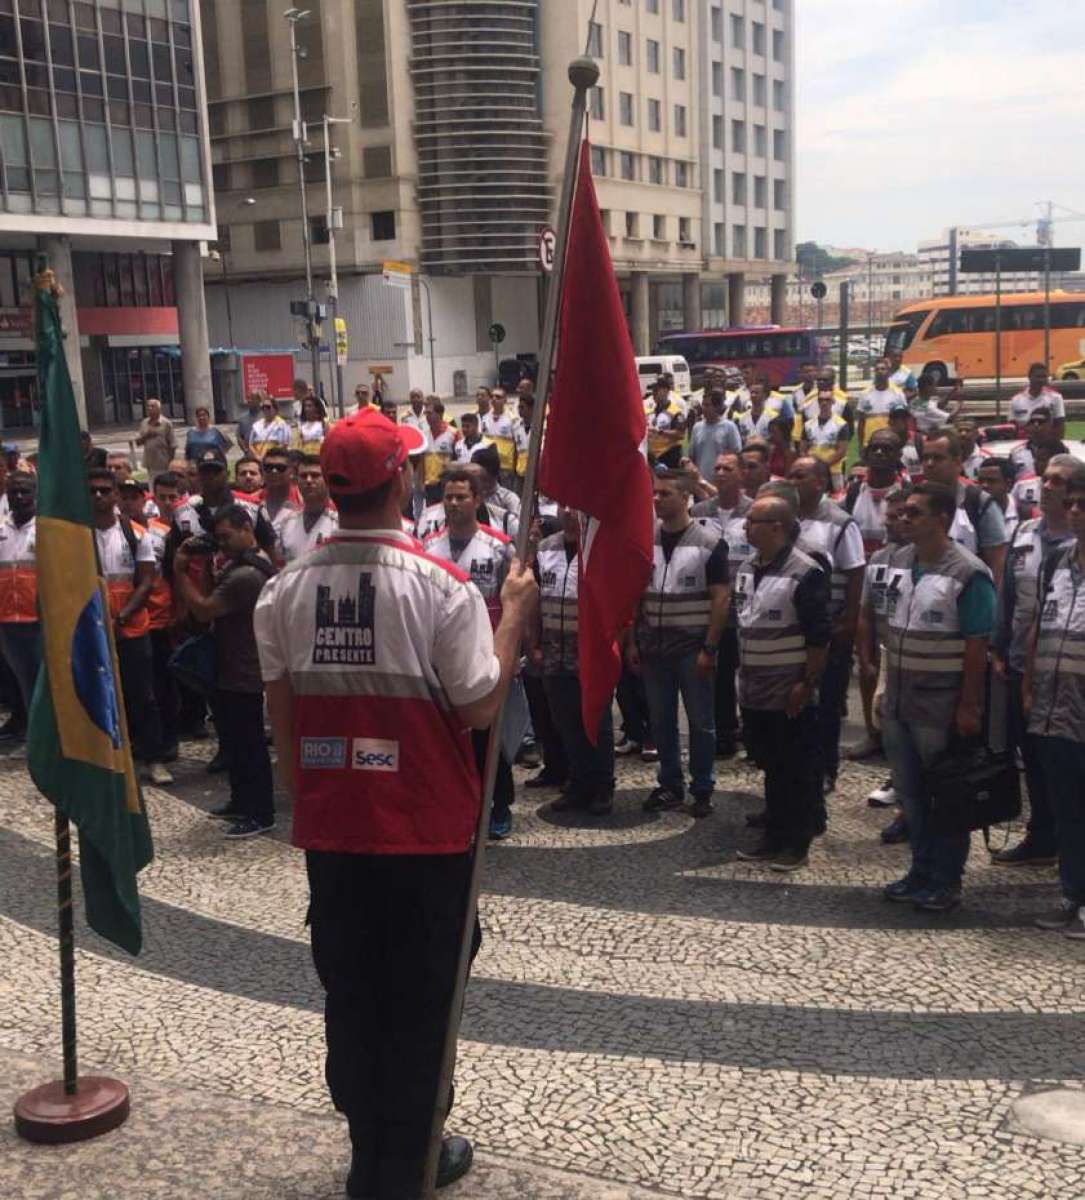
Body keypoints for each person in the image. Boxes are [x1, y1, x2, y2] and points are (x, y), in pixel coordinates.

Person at [254, 407, 537, 1198]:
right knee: (422, 1003)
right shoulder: (443, 589)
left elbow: (284, 725)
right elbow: (480, 706)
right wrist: (513, 616)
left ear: (330, 487)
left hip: (334, 835)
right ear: (402, 480)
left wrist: (319, 796)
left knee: (351, 994)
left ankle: (367, 1152)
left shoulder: (282, 592)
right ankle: (412, 1158)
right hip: (427, 838)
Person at [879, 482, 996, 913]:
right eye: (903, 512)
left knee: (945, 795)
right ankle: (920, 869)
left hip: (940, 704)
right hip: (900, 698)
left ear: (942, 519)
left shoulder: (968, 572)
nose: (904, 519)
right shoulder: (898, 562)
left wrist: (969, 705)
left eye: (915, 513)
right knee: (910, 793)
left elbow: (977, 644)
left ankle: (946, 878)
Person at [991, 455, 1083, 870]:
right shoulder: (1026, 533)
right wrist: (998, 646)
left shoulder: (1074, 546)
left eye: (1058, 481)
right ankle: (1043, 834)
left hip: (1071, 676)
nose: (1047, 487)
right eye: (1045, 479)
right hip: (1025, 665)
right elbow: (1007, 593)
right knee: (1033, 756)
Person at [734, 489, 830, 871]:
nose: (745, 527)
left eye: (752, 521)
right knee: (772, 767)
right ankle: (773, 835)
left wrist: (806, 683)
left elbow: (819, 637)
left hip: (789, 690)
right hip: (754, 688)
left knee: (797, 770)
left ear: (776, 527)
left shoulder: (805, 572)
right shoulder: (747, 567)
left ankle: (796, 842)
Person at [630, 470, 730, 818]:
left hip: (692, 648)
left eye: (665, 494)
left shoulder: (709, 542)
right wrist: (632, 641)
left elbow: (721, 599)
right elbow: (636, 594)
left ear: (686, 498)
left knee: (701, 722)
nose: (656, 499)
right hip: (654, 647)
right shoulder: (646, 540)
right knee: (660, 721)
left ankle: (702, 787)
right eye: (654, 493)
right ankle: (670, 784)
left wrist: (710, 648)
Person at [174, 504, 277, 838]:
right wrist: (206, 564)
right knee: (233, 740)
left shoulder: (245, 575)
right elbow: (211, 594)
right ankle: (240, 800)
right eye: (217, 538)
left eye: (226, 537)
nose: (222, 544)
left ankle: (260, 812)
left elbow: (204, 610)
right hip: (232, 665)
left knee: (249, 745)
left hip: (243, 670)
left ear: (247, 528)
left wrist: (180, 572)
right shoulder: (241, 563)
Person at [425, 468, 517, 839]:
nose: (454, 504)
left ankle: (499, 804)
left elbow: (515, 602)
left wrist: (518, 648)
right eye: (448, 497)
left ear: (477, 500)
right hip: (439, 658)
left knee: (487, 735)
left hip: (486, 654)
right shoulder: (427, 546)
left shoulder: (499, 547)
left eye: (461, 497)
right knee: (445, 736)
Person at [1024, 469, 1085, 940]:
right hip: (1053, 708)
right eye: (1074, 504)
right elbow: (1038, 626)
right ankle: (1073, 893)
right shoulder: (1058, 560)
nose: (1077, 512)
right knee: (1067, 809)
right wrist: (1028, 684)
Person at [88, 468, 172, 786]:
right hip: (93, 630)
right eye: (93, 490)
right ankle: (109, 757)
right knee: (100, 695)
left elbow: (146, 581)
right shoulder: (78, 535)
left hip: (131, 629)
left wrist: (121, 616)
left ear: (115, 495)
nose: (99, 496)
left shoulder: (135, 533)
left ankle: (153, 758)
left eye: (104, 490)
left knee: (143, 695)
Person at [788, 457, 866, 795]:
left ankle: (825, 769)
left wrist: (848, 620)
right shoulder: (784, 517)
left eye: (800, 475)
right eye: (790, 475)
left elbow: (855, 571)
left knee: (826, 702)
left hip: (828, 625)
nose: (792, 481)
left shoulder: (840, 522)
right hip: (792, 627)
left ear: (820, 482)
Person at [535, 507, 615, 815]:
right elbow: (535, 598)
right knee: (565, 722)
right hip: (554, 651)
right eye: (563, 506)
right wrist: (534, 643)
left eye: (575, 506)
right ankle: (578, 783)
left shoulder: (600, 548)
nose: (568, 512)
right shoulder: (545, 548)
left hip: (589, 652)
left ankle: (603, 785)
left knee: (597, 721)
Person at [854, 485, 911, 817]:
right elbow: (865, 611)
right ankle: (898, 779)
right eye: (887, 516)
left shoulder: (926, 560)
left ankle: (910, 790)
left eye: (898, 516)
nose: (889, 522)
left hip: (916, 656)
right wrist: (865, 657)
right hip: (886, 650)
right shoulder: (878, 559)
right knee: (888, 719)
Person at [693, 452, 752, 757]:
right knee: (717, 674)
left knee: (746, 674)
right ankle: (721, 733)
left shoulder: (754, 511)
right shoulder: (699, 512)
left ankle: (750, 733)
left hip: (747, 607)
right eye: (716, 468)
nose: (720, 473)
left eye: (728, 468)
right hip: (712, 608)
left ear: (742, 473)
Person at [119, 477, 180, 762]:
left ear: (145, 499)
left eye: (134, 497)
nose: (129, 502)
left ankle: (169, 739)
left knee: (163, 686)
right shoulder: (112, 532)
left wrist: (178, 612)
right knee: (135, 688)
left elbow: (175, 573)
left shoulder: (162, 532)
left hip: (160, 618)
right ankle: (137, 740)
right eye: (124, 497)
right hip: (129, 622)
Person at [920, 429, 1008, 587]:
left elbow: (997, 563)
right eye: (925, 458)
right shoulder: (912, 501)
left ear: (957, 462)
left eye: (938, 458)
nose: (929, 464)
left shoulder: (979, 502)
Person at [0, 471, 40, 746]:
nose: (19, 496)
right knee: (16, 676)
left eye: (25, 491)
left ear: (35, 493)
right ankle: (23, 723)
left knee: (39, 677)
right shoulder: (1, 528)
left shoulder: (45, 529)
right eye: (14, 491)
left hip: (38, 619)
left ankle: (42, 731)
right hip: (6, 618)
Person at [280, 455, 338, 564]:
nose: (309, 480)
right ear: (297, 481)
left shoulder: (339, 523)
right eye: (303, 476)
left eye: (315, 475)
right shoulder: (287, 523)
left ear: (328, 479)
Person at [801, 386, 850, 491]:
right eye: (821, 400)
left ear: (833, 401)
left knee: (836, 497)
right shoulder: (808, 425)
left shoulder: (841, 424)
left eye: (827, 400)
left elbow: (842, 451)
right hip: (812, 471)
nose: (824, 403)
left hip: (833, 471)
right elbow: (802, 449)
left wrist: (824, 465)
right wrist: (810, 464)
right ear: (817, 402)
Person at [259, 445, 301, 563]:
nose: (274, 471)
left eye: (280, 468)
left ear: (292, 472)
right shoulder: (252, 503)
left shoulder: (304, 501)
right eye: (268, 467)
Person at [686, 390, 741, 480]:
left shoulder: (729, 427)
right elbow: (692, 456)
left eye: (707, 405)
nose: (704, 408)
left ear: (717, 407)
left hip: (722, 480)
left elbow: (736, 454)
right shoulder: (697, 427)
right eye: (703, 405)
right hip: (701, 481)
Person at [856, 356, 905, 448]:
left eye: (883, 369)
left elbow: (902, 422)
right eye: (877, 369)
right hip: (870, 443)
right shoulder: (865, 394)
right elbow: (861, 423)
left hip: (891, 442)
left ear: (889, 372)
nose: (880, 371)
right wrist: (860, 445)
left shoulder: (898, 394)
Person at [1010, 362, 1066, 438]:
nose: (1041, 380)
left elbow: (1060, 428)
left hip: (1046, 442)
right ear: (1029, 377)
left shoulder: (1056, 397)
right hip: (1021, 441)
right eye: (1038, 377)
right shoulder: (1016, 400)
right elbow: (1011, 428)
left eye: (1044, 377)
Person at [421, 399, 460, 504]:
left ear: (440, 414)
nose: (427, 416)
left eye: (430, 413)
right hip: (429, 484)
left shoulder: (453, 433)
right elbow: (421, 461)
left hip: (447, 483)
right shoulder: (424, 434)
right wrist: (421, 482)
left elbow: (459, 459)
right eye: (426, 414)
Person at [1009, 406, 1060, 480]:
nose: (1036, 425)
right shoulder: (1016, 452)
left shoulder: (1059, 449)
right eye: (1032, 422)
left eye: (1041, 422)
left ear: (1050, 424)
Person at [977, 457, 1021, 539]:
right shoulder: (971, 512)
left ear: (1008, 485)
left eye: (991, 481)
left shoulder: (1024, 514)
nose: (984, 486)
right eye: (981, 481)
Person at [135, 397, 176, 476]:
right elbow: (138, 442)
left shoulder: (166, 423)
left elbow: (173, 445)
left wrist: (170, 463)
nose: (149, 408)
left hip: (163, 463)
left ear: (159, 409)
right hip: (149, 463)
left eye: (152, 406)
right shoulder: (144, 423)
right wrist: (147, 436)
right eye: (148, 406)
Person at [910, 369, 958, 434]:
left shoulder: (915, 401)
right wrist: (959, 404)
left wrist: (952, 393)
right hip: (926, 435)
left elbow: (939, 405)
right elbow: (950, 418)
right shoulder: (928, 407)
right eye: (934, 385)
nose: (935, 388)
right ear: (927, 387)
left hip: (918, 433)